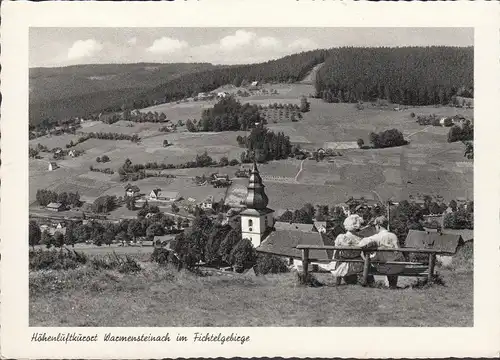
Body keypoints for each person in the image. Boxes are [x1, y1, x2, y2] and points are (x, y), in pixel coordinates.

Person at [358, 216, 404, 289]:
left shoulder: (377, 237)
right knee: (393, 261)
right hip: (399, 266)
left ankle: (369, 283)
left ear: (378, 226)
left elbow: (361, 244)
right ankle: (392, 286)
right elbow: (398, 251)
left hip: (384, 267)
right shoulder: (393, 235)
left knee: (368, 263)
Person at [329, 214, 365, 285]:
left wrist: (333, 261)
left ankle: (338, 283)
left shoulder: (341, 237)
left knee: (338, 264)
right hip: (358, 264)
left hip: (343, 263)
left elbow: (335, 253)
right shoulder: (361, 238)